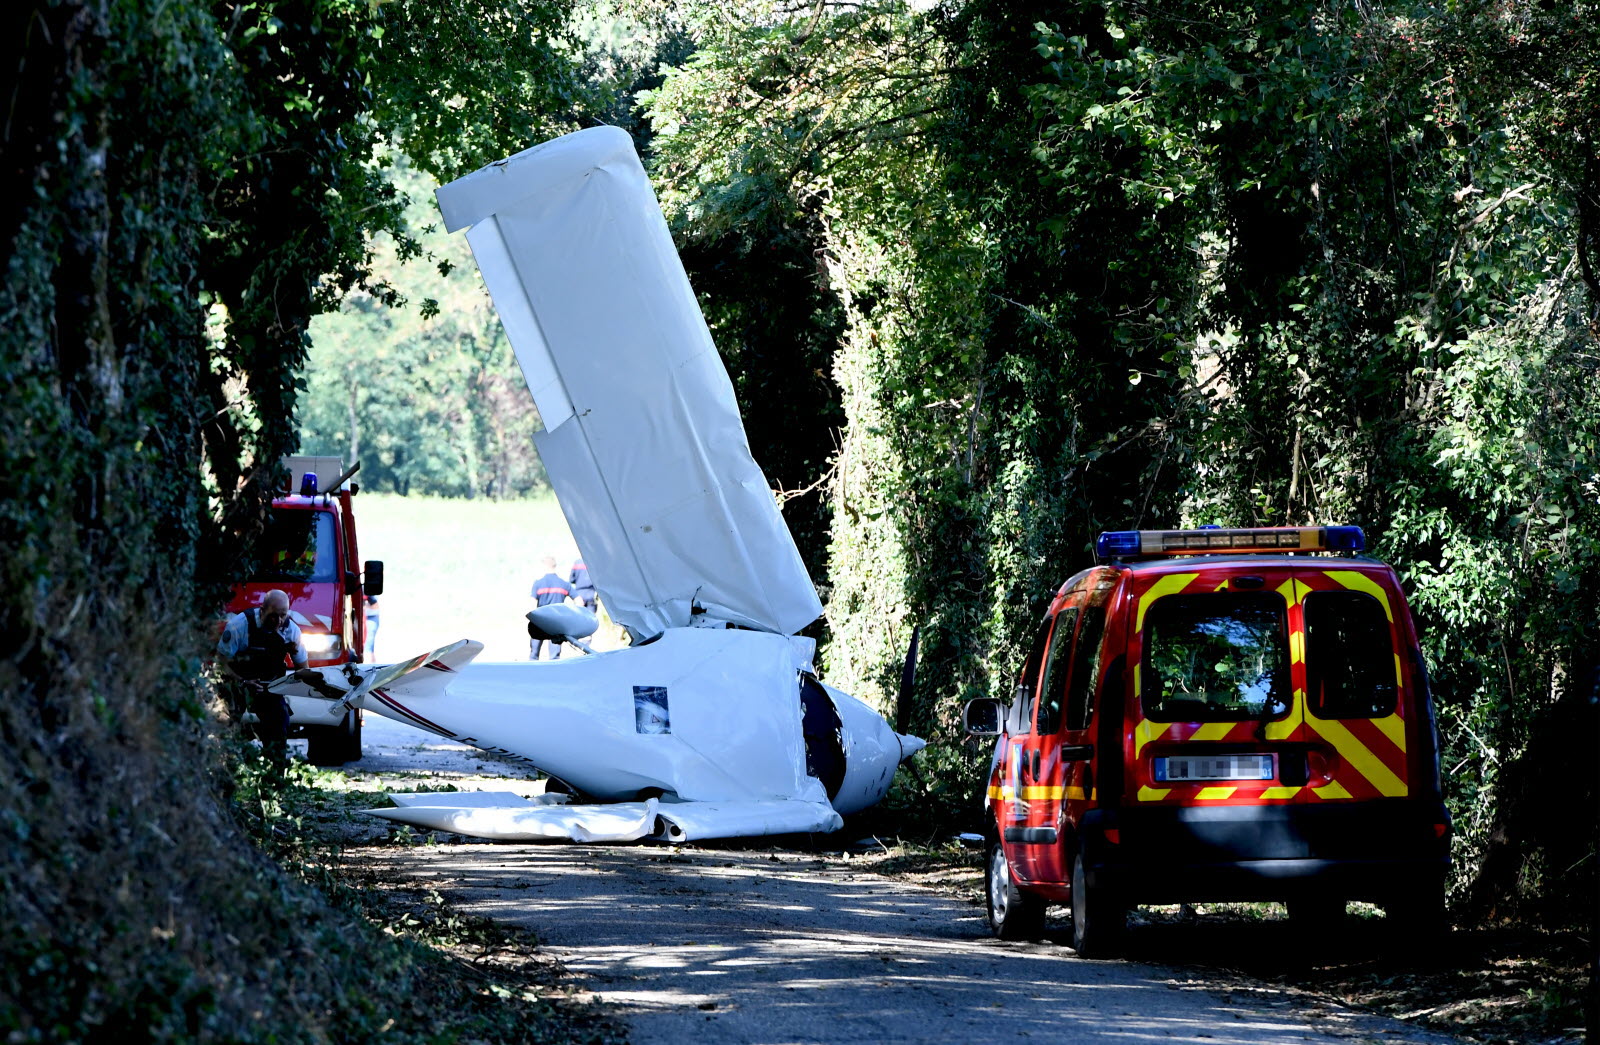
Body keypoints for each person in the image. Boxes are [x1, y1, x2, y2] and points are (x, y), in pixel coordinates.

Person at [216, 589, 316, 772]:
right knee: (225, 724)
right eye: (273, 617)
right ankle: (225, 774)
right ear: (262, 611)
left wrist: (293, 675)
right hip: (238, 682)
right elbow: (220, 664)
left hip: (269, 685)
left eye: (283, 616)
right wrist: (243, 682)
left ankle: (275, 780)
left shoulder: (291, 630)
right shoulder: (239, 626)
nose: (278, 622)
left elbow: (303, 670)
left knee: (279, 723)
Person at [530, 556, 572, 660]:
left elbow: (531, 604)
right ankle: (554, 675)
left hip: (540, 621)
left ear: (544, 567)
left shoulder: (538, 584)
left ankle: (531, 674)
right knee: (554, 658)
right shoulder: (564, 584)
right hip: (557, 622)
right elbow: (579, 600)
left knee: (534, 655)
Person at [364, 594, 380, 660]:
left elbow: (376, 606)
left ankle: (370, 662)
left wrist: (364, 607)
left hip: (370, 618)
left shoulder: (367, 593)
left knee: (369, 643)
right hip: (364, 619)